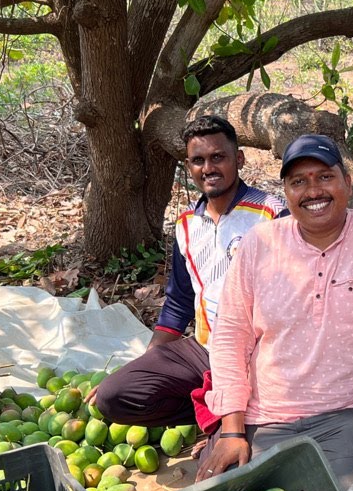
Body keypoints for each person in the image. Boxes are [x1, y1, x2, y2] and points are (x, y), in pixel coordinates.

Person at [197, 134, 353, 488]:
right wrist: (232, 431)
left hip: (347, 417)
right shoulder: (260, 243)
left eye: (325, 177)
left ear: (348, 183)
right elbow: (230, 337)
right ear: (286, 192)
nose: (313, 191)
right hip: (262, 420)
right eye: (298, 182)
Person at [89, 115, 285, 426]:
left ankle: (236, 412)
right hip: (205, 349)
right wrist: (145, 365)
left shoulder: (272, 215)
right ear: (188, 166)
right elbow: (179, 302)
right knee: (114, 396)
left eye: (218, 157)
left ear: (239, 159)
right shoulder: (187, 224)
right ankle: (214, 409)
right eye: (198, 160)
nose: (208, 168)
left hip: (260, 355)